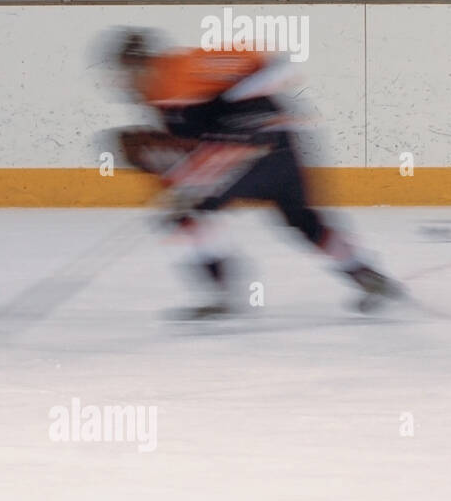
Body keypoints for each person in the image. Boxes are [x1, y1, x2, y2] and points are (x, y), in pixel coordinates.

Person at [111, 29, 404, 317]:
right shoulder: (157, 96)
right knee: (302, 220)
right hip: (272, 149)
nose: (127, 80)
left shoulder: (184, 66)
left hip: (260, 147)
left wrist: (242, 112)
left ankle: (221, 292)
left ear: (146, 62)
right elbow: (195, 146)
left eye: (130, 70)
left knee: (184, 211)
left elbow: (274, 66)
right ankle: (367, 276)